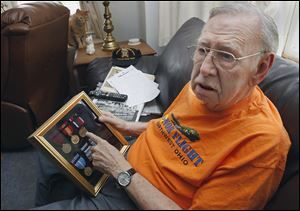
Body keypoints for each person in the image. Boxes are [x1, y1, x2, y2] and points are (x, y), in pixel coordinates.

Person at [32, 2, 291, 210]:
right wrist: (128, 127)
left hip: (133, 195)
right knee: (53, 139)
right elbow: (172, 127)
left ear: (261, 68)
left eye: (226, 56)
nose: (205, 69)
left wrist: (121, 170)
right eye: (202, 50)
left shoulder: (263, 141)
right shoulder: (200, 89)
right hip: (124, 159)